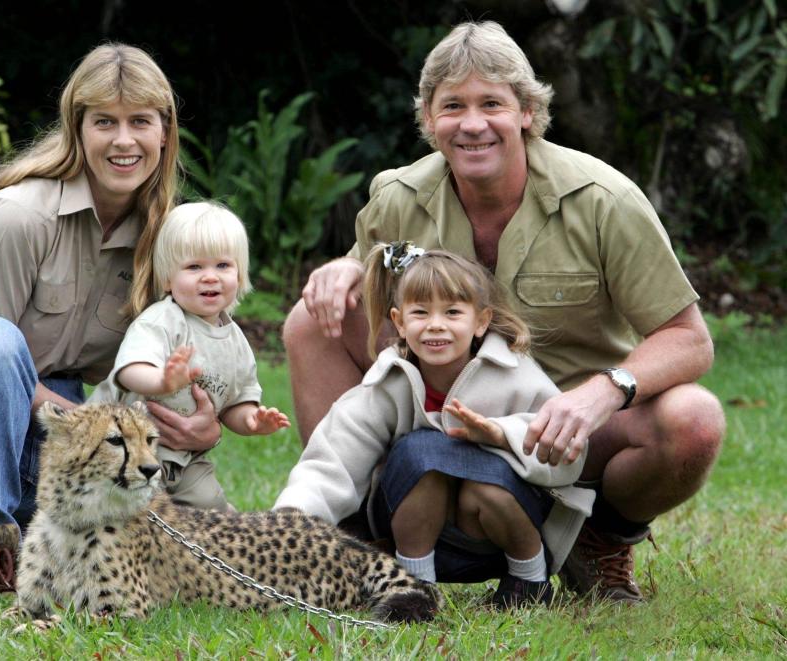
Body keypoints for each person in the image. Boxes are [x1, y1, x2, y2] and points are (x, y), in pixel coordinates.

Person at [283, 21, 725, 603]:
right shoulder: (399, 196)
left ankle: (599, 538)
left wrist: (601, 394)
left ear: (526, 110)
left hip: (559, 428)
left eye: (491, 103)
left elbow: (688, 339)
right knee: (312, 317)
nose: (472, 124)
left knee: (695, 418)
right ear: (429, 120)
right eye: (452, 107)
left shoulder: (604, 200)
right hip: (437, 418)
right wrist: (345, 267)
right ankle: (351, 538)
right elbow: (376, 264)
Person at [0, 44, 221, 594]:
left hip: (57, 429)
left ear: (165, 132)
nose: (124, 140)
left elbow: (162, 370)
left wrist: (206, 426)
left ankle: (64, 549)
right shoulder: (20, 218)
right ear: (76, 128)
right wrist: (84, 424)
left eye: (140, 122)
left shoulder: (167, 241)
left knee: (172, 529)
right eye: (105, 121)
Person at [276, 244, 594, 608]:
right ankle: (416, 587)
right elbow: (333, 459)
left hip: (492, 532)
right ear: (399, 321)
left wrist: (501, 436)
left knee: (483, 481)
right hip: (417, 529)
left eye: (453, 312)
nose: (435, 325)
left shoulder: (515, 374)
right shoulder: (388, 381)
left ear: (481, 321)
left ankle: (529, 582)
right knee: (422, 453)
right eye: (421, 312)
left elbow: (569, 453)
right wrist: (288, 524)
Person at [89, 201, 290, 510]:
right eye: (194, 267)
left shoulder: (236, 343)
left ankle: (226, 553)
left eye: (223, 266)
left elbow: (237, 402)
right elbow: (131, 370)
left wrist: (252, 420)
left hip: (183, 461)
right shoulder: (163, 320)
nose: (210, 277)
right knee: (122, 518)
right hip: (121, 450)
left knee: (214, 510)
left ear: (240, 275)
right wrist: (162, 381)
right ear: (168, 279)